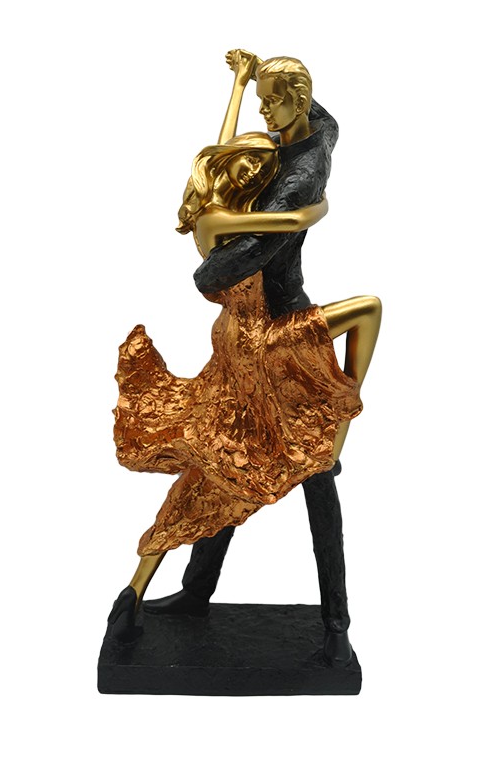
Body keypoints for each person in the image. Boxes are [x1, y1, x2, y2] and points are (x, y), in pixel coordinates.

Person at [108, 51, 381, 667]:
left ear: (296, 101)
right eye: (261, 104)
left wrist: (288, 210)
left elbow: (219, 261)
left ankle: (335, 623)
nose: (264, 117)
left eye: (271, 104)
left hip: (275, 338)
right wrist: (246, 81)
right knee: (231, 458)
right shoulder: (305, 140)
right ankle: (199, 590)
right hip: (250, 341)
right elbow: (257, 146)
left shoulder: (294, 177)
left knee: (300, 474)